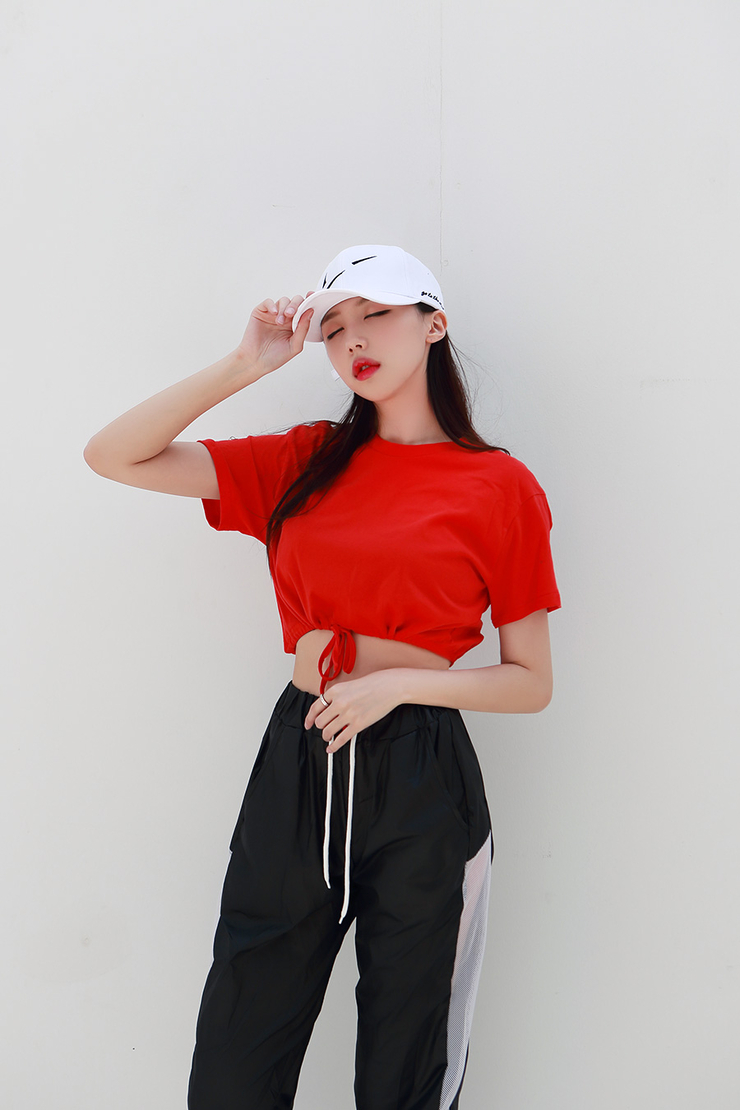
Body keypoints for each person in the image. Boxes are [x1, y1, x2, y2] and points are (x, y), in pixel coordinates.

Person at [84, 243, 561, 1110]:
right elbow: (114, 455)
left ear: (434, 324)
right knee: (237, 1051)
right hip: (299, 754)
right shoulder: (306, 460)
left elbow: (530, 681)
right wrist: (246, 363)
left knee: (409, 1057)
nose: (355, 341)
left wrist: (399, 686)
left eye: (377, 315)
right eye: (335, 328)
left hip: (422, 774)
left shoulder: (499, 486)